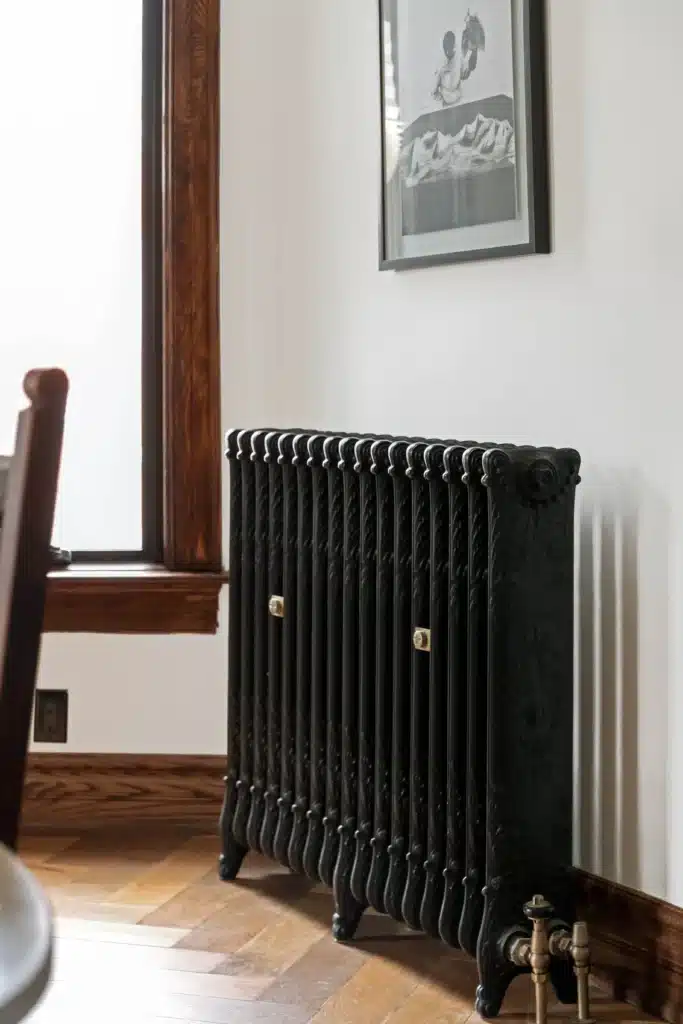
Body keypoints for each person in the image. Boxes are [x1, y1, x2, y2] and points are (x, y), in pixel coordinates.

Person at [432, 13, 485, 107]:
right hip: (446, 105)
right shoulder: (439, 66)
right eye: (447, 50)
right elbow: (434, 91)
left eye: (451, 49)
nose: (449, 52)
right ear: (444, 48)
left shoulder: (458, 58)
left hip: (460, 101)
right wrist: (442, 98)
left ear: (454, 47)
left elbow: (464, 75)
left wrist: (474, 53)